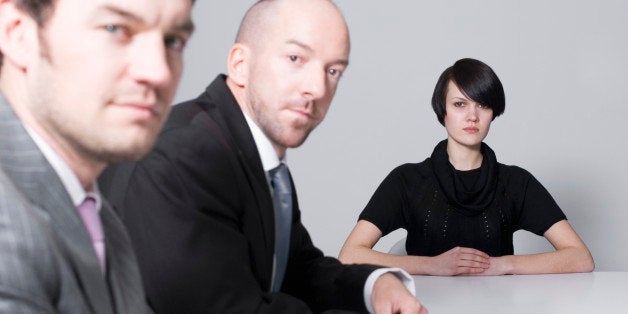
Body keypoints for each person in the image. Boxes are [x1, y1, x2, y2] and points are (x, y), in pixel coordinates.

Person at [100, 0, 426, 313]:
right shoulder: (184, 156)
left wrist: (373, 286)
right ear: (240, 65)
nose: (317, 87)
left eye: (333, 71)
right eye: (296, 58)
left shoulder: (263, 161)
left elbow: (298, 271)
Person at [0, 0, 194, 312]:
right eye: (115, 28)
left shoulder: (101, 218)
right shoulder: (6, 221)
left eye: (172, 40)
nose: (158, 72)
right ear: (17, 32)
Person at [338, 58, 595, 276]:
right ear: (443, 110)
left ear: (493, 112)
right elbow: (349, 255)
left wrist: (502, 265)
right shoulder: (407, 179)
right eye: (460, 104)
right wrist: (432, 266)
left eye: (482, 104)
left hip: (498, 306)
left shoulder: (516, 182)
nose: (472, 116)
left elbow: (581, 258)